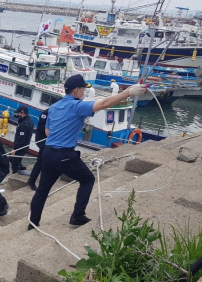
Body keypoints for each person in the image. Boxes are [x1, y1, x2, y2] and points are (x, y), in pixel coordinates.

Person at [28, 75, 147, 230]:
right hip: (64, 155)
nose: (84, 91)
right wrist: (129, 93)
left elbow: (47, 131)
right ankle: (77, 215)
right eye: (83, 89)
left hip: (48, 153)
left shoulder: (54, 107)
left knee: (42, 190)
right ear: (77, 90)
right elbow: (103, 104)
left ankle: (33, 224)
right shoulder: (77, 106)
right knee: (87, 179)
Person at [27, 108, 49, 191]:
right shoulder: (46, 113)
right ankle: (31, 181)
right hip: (43, 139)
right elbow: (42, 127)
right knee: (41, 161)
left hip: (50, 139)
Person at [10, 106, 33, 175]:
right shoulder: (30, 120)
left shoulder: (24, 124)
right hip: (25, 146)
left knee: (13, 160)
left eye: (19, 113)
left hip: (21, 147)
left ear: (22, 113)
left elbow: (21, 138)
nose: (18, 115)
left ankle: (15, 174)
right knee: (17, 160)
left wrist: (15, 148)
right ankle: (21, 168)